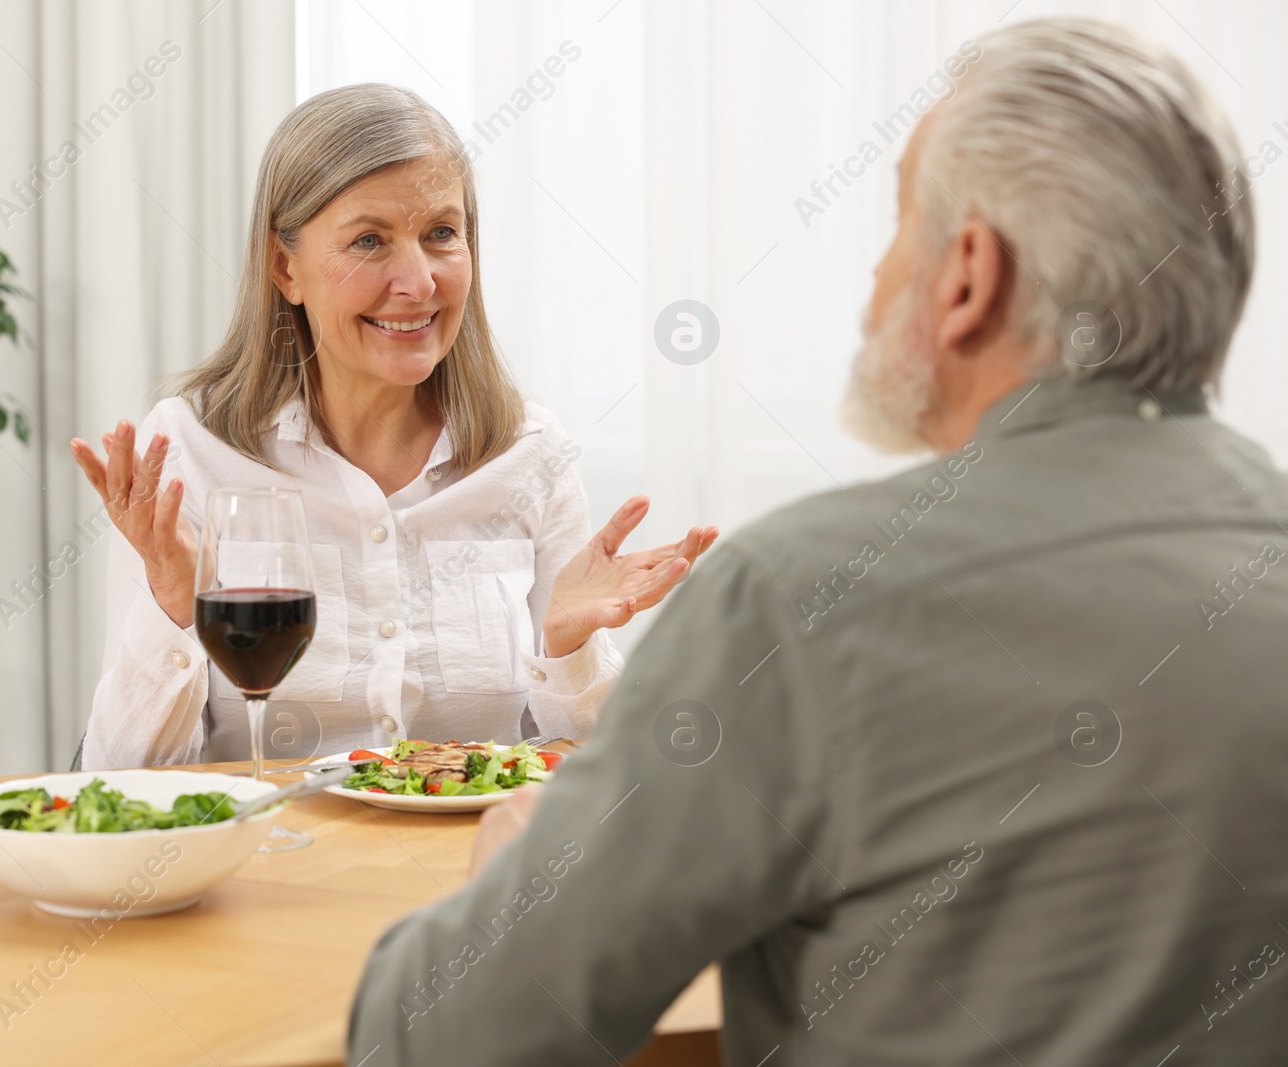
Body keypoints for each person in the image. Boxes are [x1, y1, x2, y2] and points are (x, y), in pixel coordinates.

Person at [348, 18, 1287, 1065]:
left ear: (968, 273)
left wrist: (521, 851)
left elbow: (453, 1036)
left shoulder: (805, 598)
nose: (880, 272)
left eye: (899, 221)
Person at [69, 83, 717, 769]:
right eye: (370, 240)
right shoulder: (190, 449)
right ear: (284, 266)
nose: (416, 282)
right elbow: (120, 783)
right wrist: (172, 608)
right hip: (267, 863)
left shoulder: (532, 453)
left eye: (441, 233)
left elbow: (592, 779)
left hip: (476, 870)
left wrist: (567, 646)